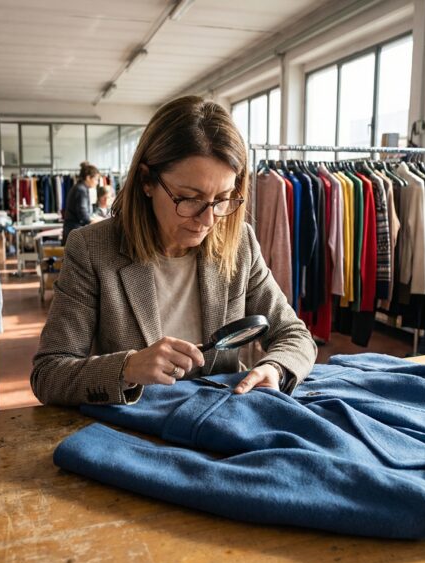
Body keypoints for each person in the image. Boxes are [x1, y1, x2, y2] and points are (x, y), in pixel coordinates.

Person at [32, 95, 316, 406]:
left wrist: (275, 369)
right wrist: (127, 368)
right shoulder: (93, 249)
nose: (208, 220)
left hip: (219, 424)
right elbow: (49, 374)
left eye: (222, 198)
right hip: (135, 431)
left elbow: (294, 335)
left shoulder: (240, 243)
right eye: (189, 198)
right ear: (146, 181)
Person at [62, 161, 99, 245]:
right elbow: (83, 216)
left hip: (73, 231)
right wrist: (100, 221)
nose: (97, 182)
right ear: (88, 177)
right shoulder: (81, 190)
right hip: (75, 233)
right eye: (96, 179)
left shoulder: (79, 188)